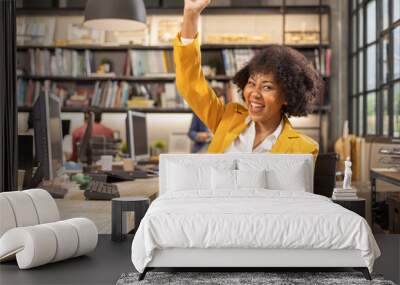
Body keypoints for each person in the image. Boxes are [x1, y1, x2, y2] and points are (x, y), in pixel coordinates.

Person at [174, 0, 321, 159]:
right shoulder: (227, 119)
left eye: (267, 87)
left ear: (286, 96)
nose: (255, 94)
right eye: (251, 83)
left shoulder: (304, 150)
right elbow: (191, 83)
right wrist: (190, 15)